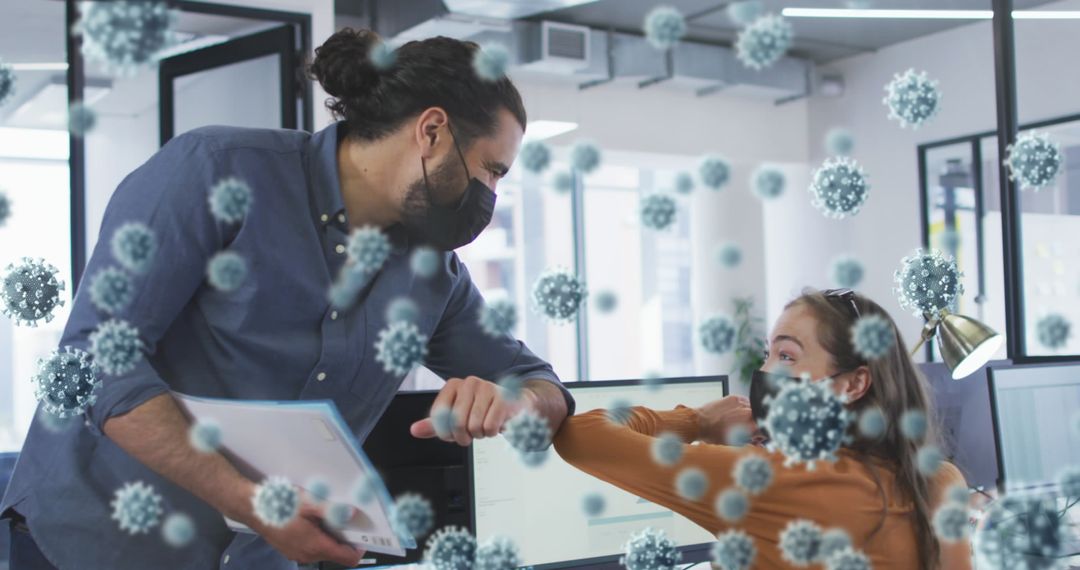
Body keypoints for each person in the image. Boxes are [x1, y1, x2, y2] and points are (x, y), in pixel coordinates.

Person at [0, 28, 574, 570]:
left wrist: (512, 402)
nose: (491, 194)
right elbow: (95, 365)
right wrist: (251, 503)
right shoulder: (215, 171)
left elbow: (542, 384)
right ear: (431, 131)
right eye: (492, 170)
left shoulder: (433, 276)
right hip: (95, 543)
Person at [553, 289, 972, 569]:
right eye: (767, 354)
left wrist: (698, 420)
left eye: (787, 356)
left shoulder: (769, 482)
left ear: (852, 384)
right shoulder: (940, 480)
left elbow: (582, 435)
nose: (766, 371)